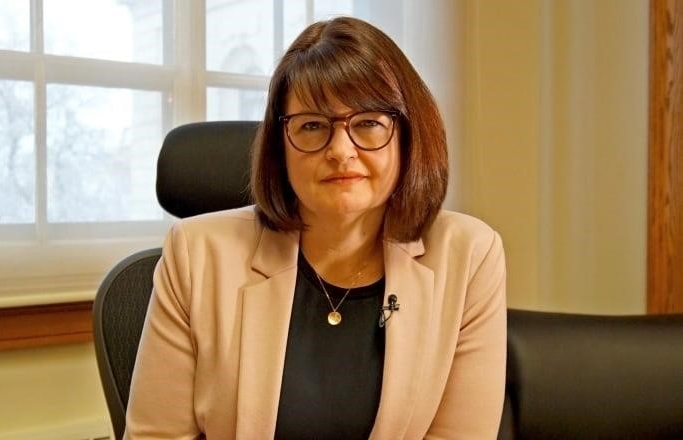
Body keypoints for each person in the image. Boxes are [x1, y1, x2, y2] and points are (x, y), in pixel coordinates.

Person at [125, 16, 506, 439]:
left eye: (368, 124)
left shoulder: (469, 255)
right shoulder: (196, 254)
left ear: (408, 134)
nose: (341, 151)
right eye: (311, 126)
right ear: (279, 145)